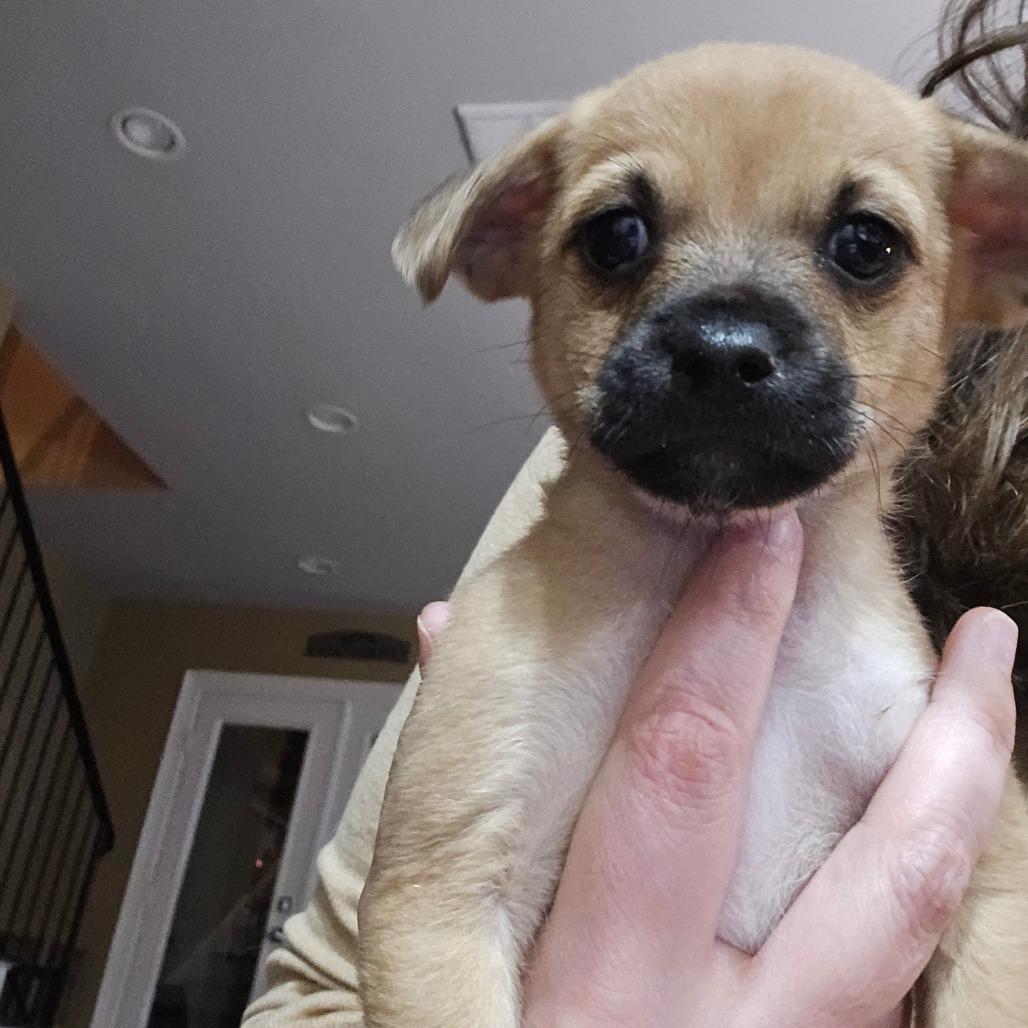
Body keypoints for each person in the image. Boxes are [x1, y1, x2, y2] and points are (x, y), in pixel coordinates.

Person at [242, 429, 1019, 1027]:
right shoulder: (619, 479)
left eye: (862, 251)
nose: (727, 334)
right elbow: (354, 967)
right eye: (619, 242)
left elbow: (992, 910)